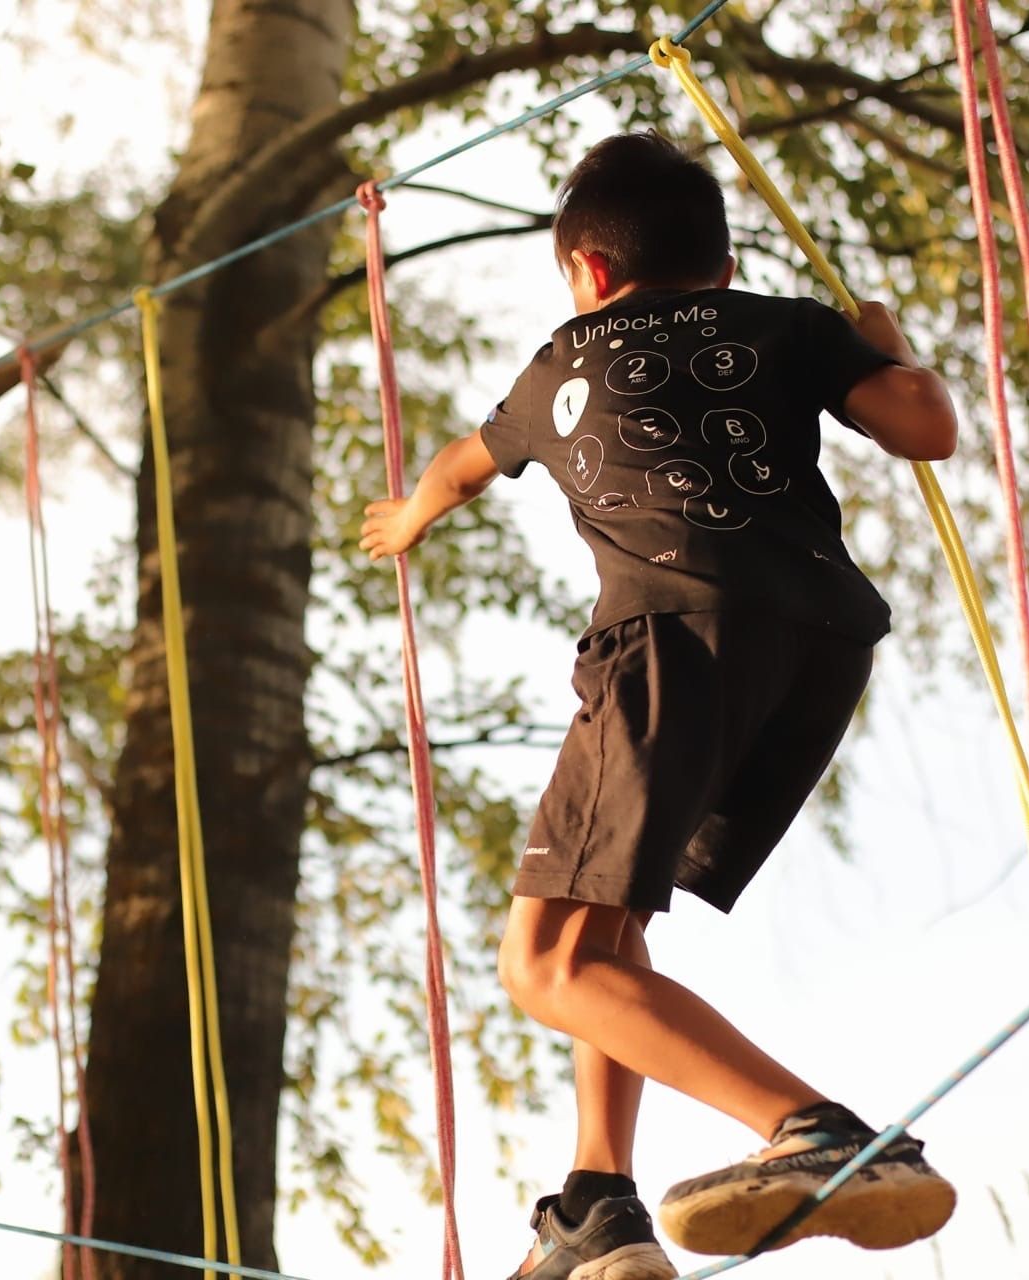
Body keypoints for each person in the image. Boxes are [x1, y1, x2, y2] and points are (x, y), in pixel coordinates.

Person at [359, 131, 961, 1279]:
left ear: (585, 272)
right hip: (819, 649)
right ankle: (600, 1199)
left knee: (542, 959)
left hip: (669, 645)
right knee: (610, 924)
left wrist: (410, 517)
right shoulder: (786, 325)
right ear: (723, 268)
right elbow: (925, 427)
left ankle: (825, 1136)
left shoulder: (560, 365)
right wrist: (888, 349)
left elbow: (458, 462)